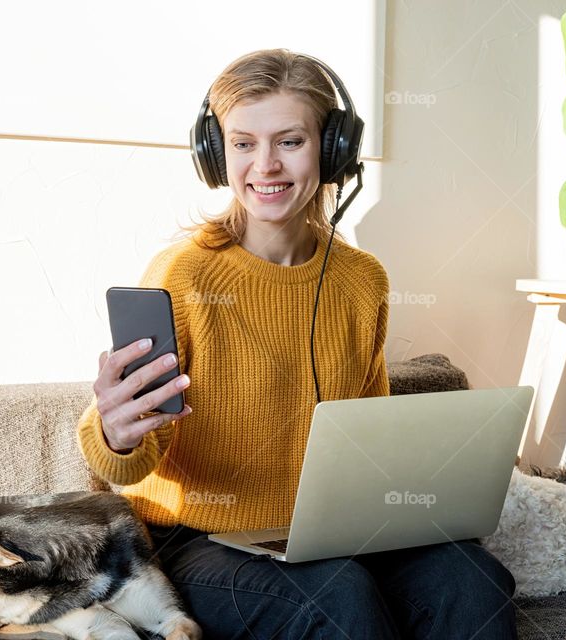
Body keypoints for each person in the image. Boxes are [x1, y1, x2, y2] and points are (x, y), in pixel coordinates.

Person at [76, 48, 517, 639]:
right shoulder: (182, 278)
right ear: (214, 153)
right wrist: (116, 433)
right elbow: (123, 457)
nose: (266, 165)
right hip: (198, 542)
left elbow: (370, 435)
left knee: (472, 578)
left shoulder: (362, 280)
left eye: (290, 141)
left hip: (325, 539)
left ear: (333, 149)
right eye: (242, 143)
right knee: (337, 594)